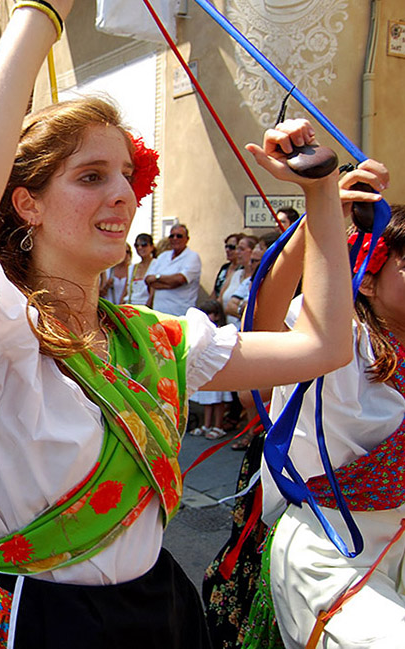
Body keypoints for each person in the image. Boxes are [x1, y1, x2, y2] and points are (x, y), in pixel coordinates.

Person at [0, 2, 354, 644]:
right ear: (27, 204)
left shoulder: (155, 335)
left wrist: (323, 196)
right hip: (38, 620)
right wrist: (39, 14)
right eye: (91, 176)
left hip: (160, 607)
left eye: (126, 175)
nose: (123, 193)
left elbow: (322, 345)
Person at [243, 165, 405, 649]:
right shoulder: (339, 336)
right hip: (330, 545)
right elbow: (263, 325)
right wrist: (322, 207)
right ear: (370, 281)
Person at [188, 300, 232, 440]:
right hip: (208, 372)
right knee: (208, 399)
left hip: (219, 371)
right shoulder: (202, 334)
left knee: (218, 400)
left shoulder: (223, 333)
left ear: (217, 316)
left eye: (209, 314)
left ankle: (218, 426)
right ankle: (207, 425)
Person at [146, 222, 203, 315]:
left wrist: (157, 278)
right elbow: (148, 280)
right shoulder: (163, 256)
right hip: (158, 313)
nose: (175, 239)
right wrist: (171, 284)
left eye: (179, 236)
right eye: (172, 236)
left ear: (187, 239)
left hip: (180, 314)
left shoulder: (192, 257)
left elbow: (181, 279)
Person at [127, 232, 156, 306]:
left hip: (148, 307)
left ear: (152, 247)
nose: (140, 248)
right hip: (132, 306)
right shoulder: (132, 268)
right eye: (137, 245)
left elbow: (154, 290)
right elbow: (126, 290)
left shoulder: (157, 264)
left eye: (144, 245)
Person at [212, 233, 242, 298]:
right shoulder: (225, 268)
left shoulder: (243, 270)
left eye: (232, 247)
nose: (227, 250)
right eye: (226, 246)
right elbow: (215, 291)